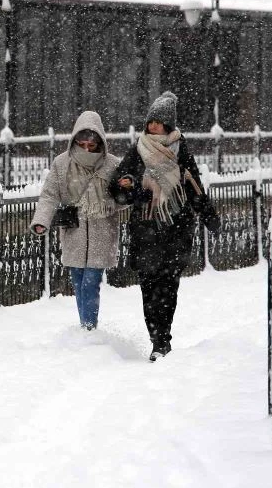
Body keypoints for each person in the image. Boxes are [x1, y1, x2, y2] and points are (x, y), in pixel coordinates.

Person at [109, 91, 220, 362]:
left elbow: (194, 188)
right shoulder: (138, 150)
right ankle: (155, 337)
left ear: (169, 124)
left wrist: (208, 215)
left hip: (176, 229)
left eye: (159, 122)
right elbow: (117, 188)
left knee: (168, 287)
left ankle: (163, 340)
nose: (154, 126)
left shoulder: (181, 150)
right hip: (146, 229)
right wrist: (135, 191)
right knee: (149, 288)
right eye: (151, 121)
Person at [30, 110, 122, 330]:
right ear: (75, 140)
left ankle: (88, 329)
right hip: (74, 232)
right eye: (83, 145)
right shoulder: (62, 164)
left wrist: (111, 203)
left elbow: (126, 196)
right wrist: (42, 220)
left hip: (102, 232)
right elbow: (50, 194)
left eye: (92, 146)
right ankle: (85, 328)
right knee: (79, 281)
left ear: (101, 141)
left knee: (91, 282)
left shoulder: (113, 165)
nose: (87, 149)